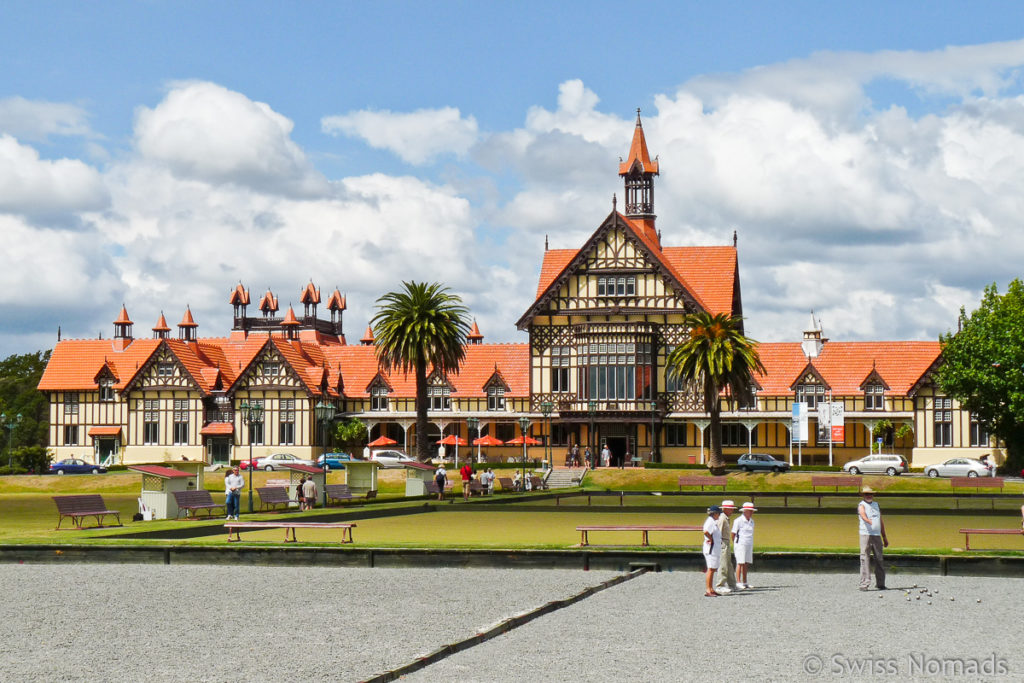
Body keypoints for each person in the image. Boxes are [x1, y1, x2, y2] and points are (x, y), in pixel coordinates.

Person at [858, 486, 887, 591]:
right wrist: (868, 521)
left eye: (870, 494)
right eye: (866, 494)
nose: (869, 496)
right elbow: (863, 514)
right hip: (865, 535)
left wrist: (884, 536)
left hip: (877, 535)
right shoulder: (862, 505)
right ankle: (864, 584)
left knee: (879, 559)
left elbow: (881, 521)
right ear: (863, 495)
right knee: (865, 558)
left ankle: (880, 583)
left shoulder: (876, 505)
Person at [715, 500, 738, 594]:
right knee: (723, 564)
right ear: (725, 509)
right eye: (730, 509)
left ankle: (732, 584)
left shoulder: (726, 518)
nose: (732, 511)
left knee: (729, 564)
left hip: (726, 541)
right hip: (722, 542)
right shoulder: (722, 518)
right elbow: (718, 532)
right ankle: (720, 586)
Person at [732, 502, 756, 589]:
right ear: (745, 511)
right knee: (740, 562)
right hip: (740, 544)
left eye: (752, 511)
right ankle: (738, 582)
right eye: (750, 511)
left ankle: (745, 582)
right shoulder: (738, 521)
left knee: (746, 563)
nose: (751, 513)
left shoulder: (752, 522)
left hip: (749, 544)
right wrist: (736, 543)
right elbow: (733, 533)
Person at [702, 505, 723, 597]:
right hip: (711, 549)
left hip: (714, 548)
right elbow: (706, 531)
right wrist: (711, 539)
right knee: (710, 569)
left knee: (713, 568)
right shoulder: (710, 522)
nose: (719, 515)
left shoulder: (713, 522)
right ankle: (708, 589)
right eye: (718, 513)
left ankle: (711, 588)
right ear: (714, 513)